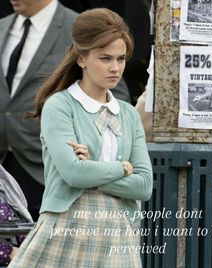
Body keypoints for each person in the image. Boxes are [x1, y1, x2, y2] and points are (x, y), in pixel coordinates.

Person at [3, 8, 153, 268]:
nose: (115, 67)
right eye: (105, 58)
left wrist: (91, 169)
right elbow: (73, 173)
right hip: (67, 226)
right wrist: (122, 168)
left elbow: (143, 186)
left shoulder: (127, 113)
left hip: (118, 232)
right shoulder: (59, 106)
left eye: (120, 59)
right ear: (82, 58)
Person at [0, 0, 131, 222]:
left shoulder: (78, 28)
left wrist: (91, 149)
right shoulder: (3, 26)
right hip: (3, 169)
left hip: (51, 171)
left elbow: (114, 95)